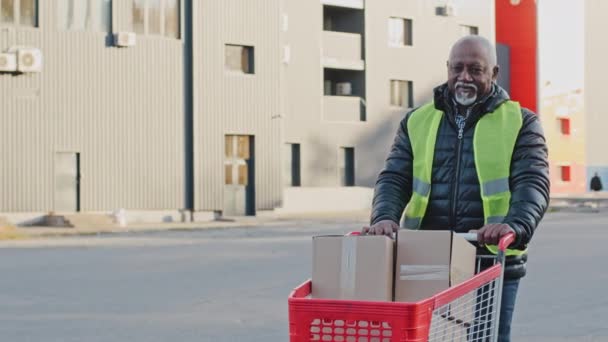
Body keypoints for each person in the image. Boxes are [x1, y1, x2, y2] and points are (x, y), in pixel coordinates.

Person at [363, 35, 550, 342]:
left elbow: (533, 182)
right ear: (447, 69)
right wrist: (383, 217)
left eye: (475, 70)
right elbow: (394, 177)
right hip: (426, 255)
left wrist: (514, 224)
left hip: (491, 259)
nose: (464, 77)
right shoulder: (417, 121)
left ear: (493, 73)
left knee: (485, 338)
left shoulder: (521, 122)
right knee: (420, 337)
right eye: (457, 68)